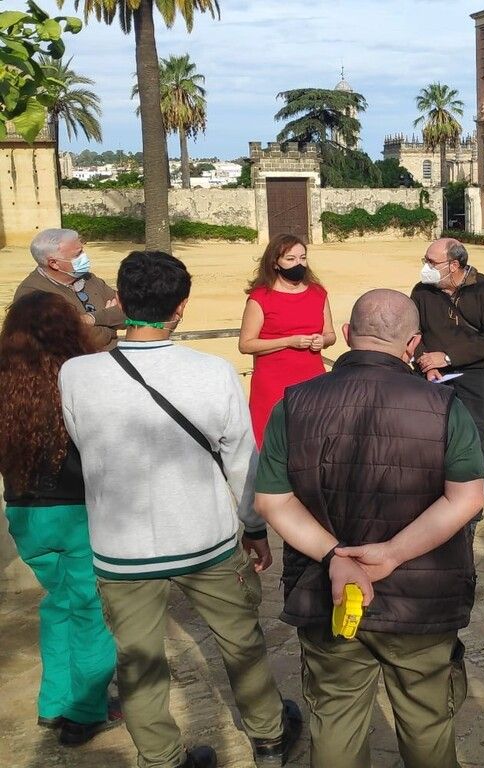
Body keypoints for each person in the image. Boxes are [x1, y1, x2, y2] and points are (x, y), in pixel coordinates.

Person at [59, 251, 302, 768]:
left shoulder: (76, 375)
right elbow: (243, 462)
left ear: (119, 303)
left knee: (139, 662)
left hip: (121, 550)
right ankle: (268, 737)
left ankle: (161, 759)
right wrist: (255, 528)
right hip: (206, 540)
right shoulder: (212, 373)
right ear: (182, 307)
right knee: (241, 642)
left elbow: (85, 447)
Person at [254, 289, 484, 768]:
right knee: (427, 721)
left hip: (330, 593)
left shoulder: (293, 404)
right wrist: (394, 554)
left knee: (335, 720)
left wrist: (337, 556)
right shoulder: (444, 406)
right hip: (422, 601)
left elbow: (273, 502)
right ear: (413, 343)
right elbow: (466, 498)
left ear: (345, 335)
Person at [0, 292, 119, 746]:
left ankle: (54, 703)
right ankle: (85, 711)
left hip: (25, 513)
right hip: (76, 511)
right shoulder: (83, 378)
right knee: (88, 609)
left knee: (57, 605)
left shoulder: (6, 383)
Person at [411, 237, 484, 489]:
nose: (426, 267)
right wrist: (428, 364)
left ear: (453, 265)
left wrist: (447, 357)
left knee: (477, 434)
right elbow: (414, 334)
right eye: (425, 260)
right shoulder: (421, 291)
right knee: (428, 436)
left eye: (432, 262)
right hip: (434, 373)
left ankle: (472, 508)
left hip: (480, 370)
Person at [239, 234, 335, 447]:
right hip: (272, 384)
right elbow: (246, 344)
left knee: (312, 440)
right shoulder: (260, 298)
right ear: (275, 263)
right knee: (272, 442)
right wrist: (288, 341)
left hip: (313, 381)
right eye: (290, 259)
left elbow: (331, 335)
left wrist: (323, 340)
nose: (298, 264)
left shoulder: (318, 293)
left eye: (302, 258)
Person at [14, 228, 125, 350]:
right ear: (53, 263)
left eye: (82, 251)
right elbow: (75, 340)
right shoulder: (33, 295)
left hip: (112, 358)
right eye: (78, 254)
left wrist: (91, 319)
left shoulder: (89, 278)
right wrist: (110, 328)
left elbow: (129, 311)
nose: (84, 257)